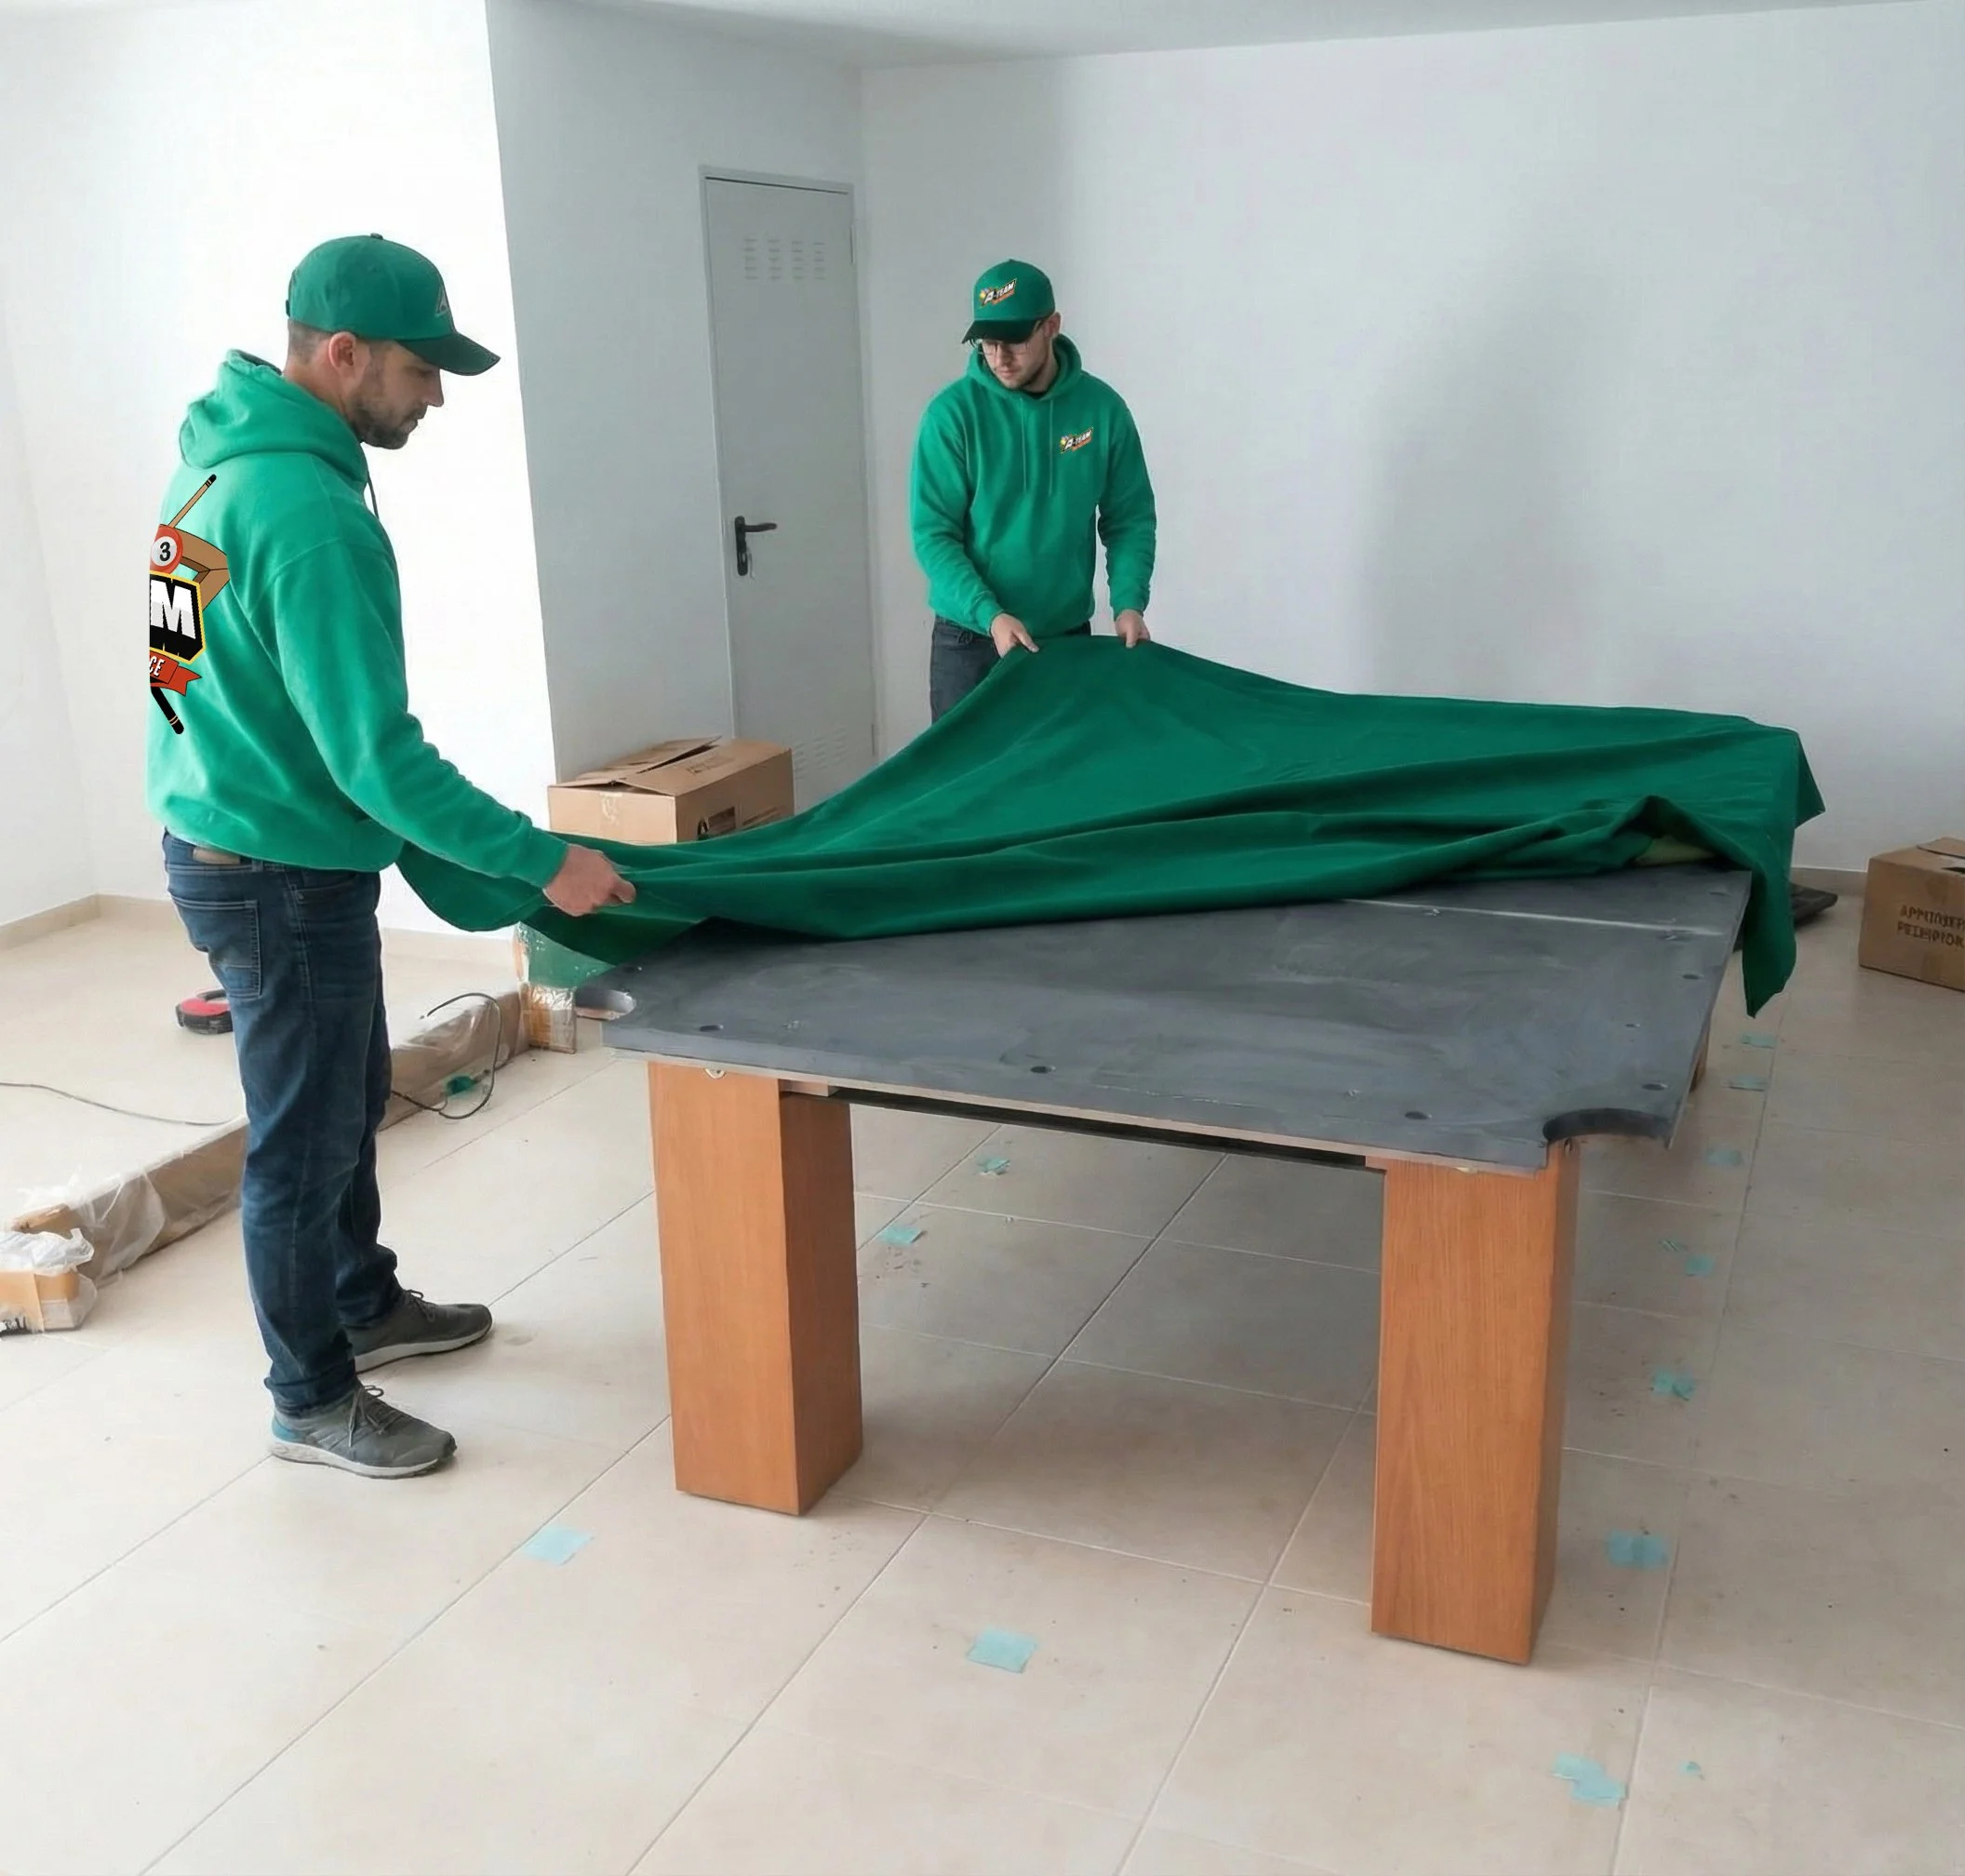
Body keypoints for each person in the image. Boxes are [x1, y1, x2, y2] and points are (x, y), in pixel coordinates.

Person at [148, 234, 633, 1480]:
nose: (434, 395)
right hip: (276, 872)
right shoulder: (306, 512)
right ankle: (310, 1395)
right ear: (343, 353)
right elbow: (378, 761)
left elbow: (182, 678)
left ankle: (364, 1303)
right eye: (421, 370)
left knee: (342, 1099)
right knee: (304, 1139)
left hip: (232, 833)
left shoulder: (214, 472)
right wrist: (543, 863)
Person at [910, 261, 1157, 722]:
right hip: (971, 641)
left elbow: (1129, 517)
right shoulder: (951, 417)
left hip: (1064, 639)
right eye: (988, 342)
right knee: (966, 783)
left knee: (1059, 777)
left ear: (1052, 327)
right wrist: (990, 615)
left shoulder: (1101, 410)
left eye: (1016, 339)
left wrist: (1128, 602)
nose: (1000, 357)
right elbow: (933, 535)